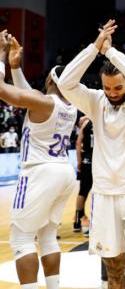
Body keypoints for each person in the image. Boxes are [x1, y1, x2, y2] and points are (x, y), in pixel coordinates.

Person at [58, 20, 125, 289]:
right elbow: (65, 82)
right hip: (104, 195)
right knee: (113, 272)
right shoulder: (95, 101)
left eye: (118, 88)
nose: (112, 94)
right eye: (107, 88)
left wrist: (112, 53)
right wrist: (95, 48)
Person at [0, 30, 77, 289]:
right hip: (64, 171)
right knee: (47, 236)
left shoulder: (46, 102)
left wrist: (1, 55)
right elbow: (29, 98)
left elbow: (2, 90)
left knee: (21, 238)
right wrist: (16, 67)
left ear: (50, 80)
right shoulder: (70, 107)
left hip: (39, 172)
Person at [74, 116, 94, 233]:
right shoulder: (103, 119)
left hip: (87, 160)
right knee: (100, 192)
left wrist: (79, 160)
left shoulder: (86, 122)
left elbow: (78, 143)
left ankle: (77, 221)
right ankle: (97, 221)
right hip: (100, 160)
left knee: (83, 192)